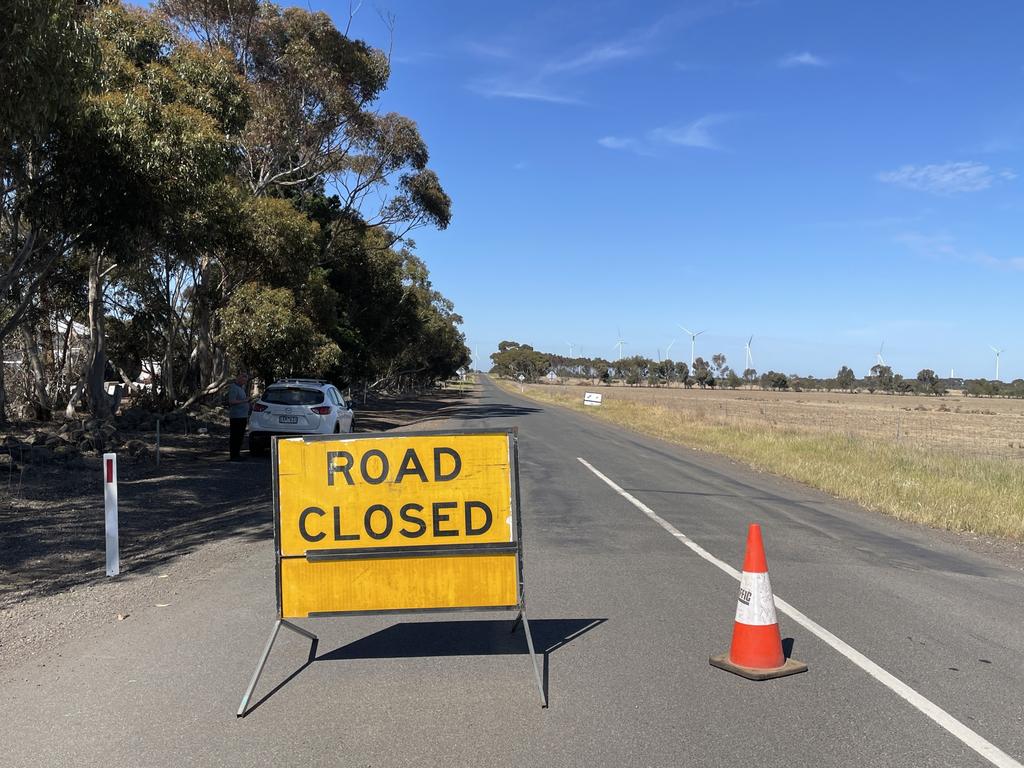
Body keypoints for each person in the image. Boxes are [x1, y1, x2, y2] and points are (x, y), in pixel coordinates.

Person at [227, 372, 250, 460]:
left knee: (240, 436)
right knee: (235, 436)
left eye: (246, 381)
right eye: (244, 380)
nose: (245, 382)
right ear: (239, 379)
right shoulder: (234, 388)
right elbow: (232, 401)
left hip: (243, 416)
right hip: (236, 416)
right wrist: (244, 401)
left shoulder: (241, 388)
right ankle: (233, 455)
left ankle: (237, 454)